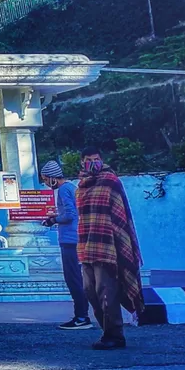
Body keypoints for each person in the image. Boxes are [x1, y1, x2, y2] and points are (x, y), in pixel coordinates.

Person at [76, 146, 144, 350]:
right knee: (90, 291)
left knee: (105, 291)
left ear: (102, 159)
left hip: (108, 245)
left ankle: (115, 335)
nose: (93, 162)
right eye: (89, 159)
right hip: (87, 245)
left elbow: (120, 214)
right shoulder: (81, 185)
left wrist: (120, 243)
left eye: (96, 158)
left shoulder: (110, 180)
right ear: (82, 162)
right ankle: (106, 331)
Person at [40, 160, 91, 330]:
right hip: (77, 237)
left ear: (52, 178)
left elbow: (69, 215)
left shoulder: (62, 190)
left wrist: (53, 220)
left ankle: (81, 317)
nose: (46, 184)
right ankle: (82, 315)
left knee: (73, 278)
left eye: (46, 180)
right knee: (78, 278)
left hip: (69, 239)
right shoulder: (70, 187)